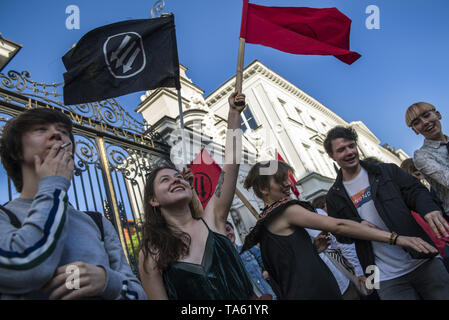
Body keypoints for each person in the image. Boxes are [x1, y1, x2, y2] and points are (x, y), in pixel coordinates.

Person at [0, 108, 145, 300]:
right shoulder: (5, 216)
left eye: (64, 131)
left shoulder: (97, 222)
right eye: (41, 129)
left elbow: (139, 294)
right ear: (16, 150)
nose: (56, 134)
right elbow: (24, 269)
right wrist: (53, 184)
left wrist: (105, 281)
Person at [241, 160, 437, 300]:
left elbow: (287, 265)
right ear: (263, 189)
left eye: (286, 178)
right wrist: (396, 239)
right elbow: (338, 225)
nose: (287, 184)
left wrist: (312, 250)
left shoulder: (266, 220)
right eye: (279, 180)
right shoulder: (285, 211)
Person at [138, 92, 254, 300]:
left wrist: (234, 114)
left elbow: (232, 161)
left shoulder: (213, 219)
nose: (176, 180)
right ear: (153, 200)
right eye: (165, 180)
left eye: (178, 177)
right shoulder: (152, 252)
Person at [324, 125, 449, 300]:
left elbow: (415, 191)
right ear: (332, 156)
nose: (349, 152)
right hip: (385, 276)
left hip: (422, 258)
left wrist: (429, 209)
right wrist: (357, 226)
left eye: (351, 146)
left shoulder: (386, 171)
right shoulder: (334, 196)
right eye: (341, 150)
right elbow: (342, 235)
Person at [308, 195, 368, 300]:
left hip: (340, 276)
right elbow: (341, 244)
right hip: (342, 273)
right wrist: (359, 271)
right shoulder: (319, 216)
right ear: (326, 204)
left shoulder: (314, 217)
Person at [405, 102, 449, 215]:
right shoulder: (422, 156)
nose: (425, 122)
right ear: (415, 130)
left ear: (438, 114)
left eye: (426, 115)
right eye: (416, 122)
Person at [224, 221, 276, 300]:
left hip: (269, 294)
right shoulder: (223, 262)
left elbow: (269, 264)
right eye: (223, 233)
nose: (227, 234)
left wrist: (265, 271)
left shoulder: (249, 249)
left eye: (228, 229)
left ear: (233, 229)